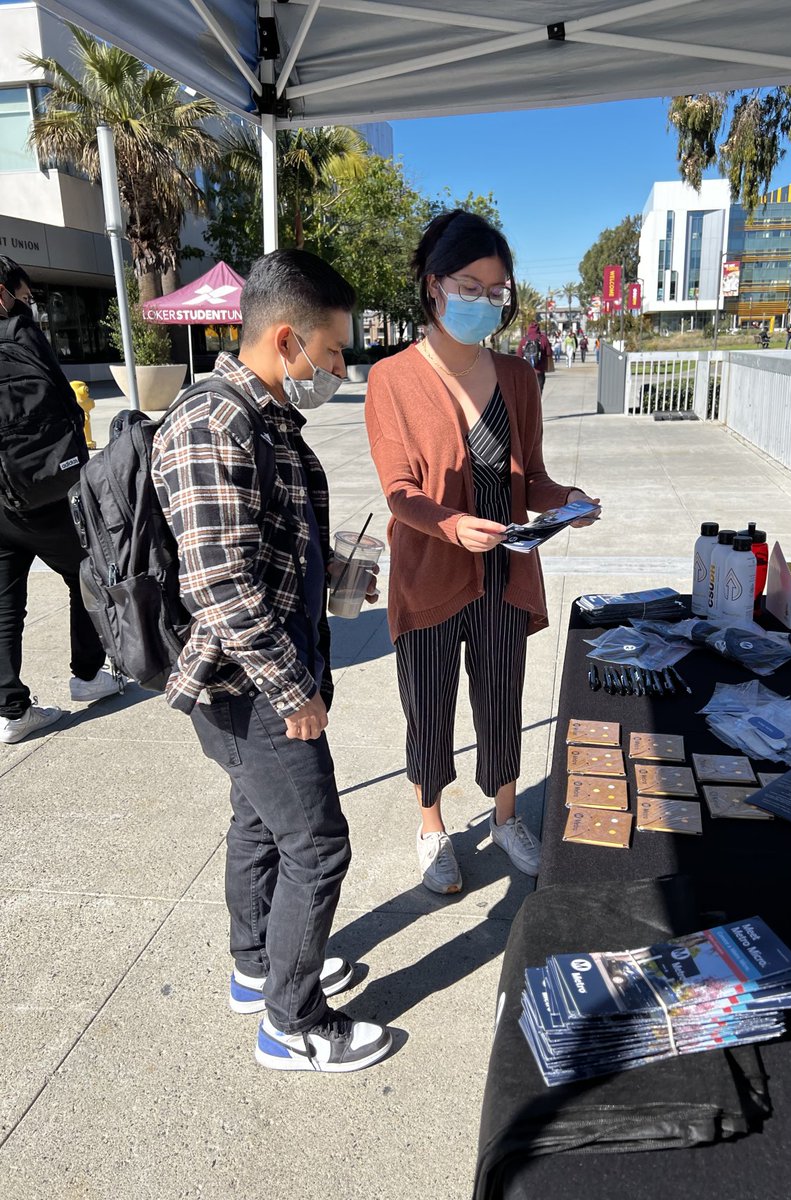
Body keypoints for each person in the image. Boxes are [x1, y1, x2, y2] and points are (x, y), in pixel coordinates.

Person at [151, 250, 391, 1073]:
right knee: (319, 846)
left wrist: (336, 572)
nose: (337, 369)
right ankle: (293, 1024)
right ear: (286, 338)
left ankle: (258, 968)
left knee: (261, 822)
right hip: (247, 686)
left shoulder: (266, 417)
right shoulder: (212, 422)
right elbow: (219, 584)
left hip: (266, 673)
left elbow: (268, 547)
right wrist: (295, 691)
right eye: (331, 353)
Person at [364, 209, 600, 894]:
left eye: (498, 291)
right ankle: (432, 827)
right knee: (428, 708)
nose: (487, 302)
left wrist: (567, 502)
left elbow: (533, 482)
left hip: (505, 569)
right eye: (473, 287)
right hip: (431, 571)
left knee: (501, 701)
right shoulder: (392, 379)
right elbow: (400, 493)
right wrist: (448, 526)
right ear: (435, 286)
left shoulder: (519, 377)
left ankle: (505, 818)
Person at [0, 255, 119, 745]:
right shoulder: (17, 333)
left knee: (5, 602)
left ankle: (10, 710)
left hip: (2, 497)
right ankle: (88, 676)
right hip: (44, 491)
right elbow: (65, 408)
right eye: (25, 298)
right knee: (84, 573)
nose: (30, 307)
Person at [516, 320, 552, 393]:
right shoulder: (543, 339)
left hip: (527, 371)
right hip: (539, 370)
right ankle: (537, 404)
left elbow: (519, 355)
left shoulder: (524, 340)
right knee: (538, 393)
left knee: (528, 393)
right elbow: (549, 353)